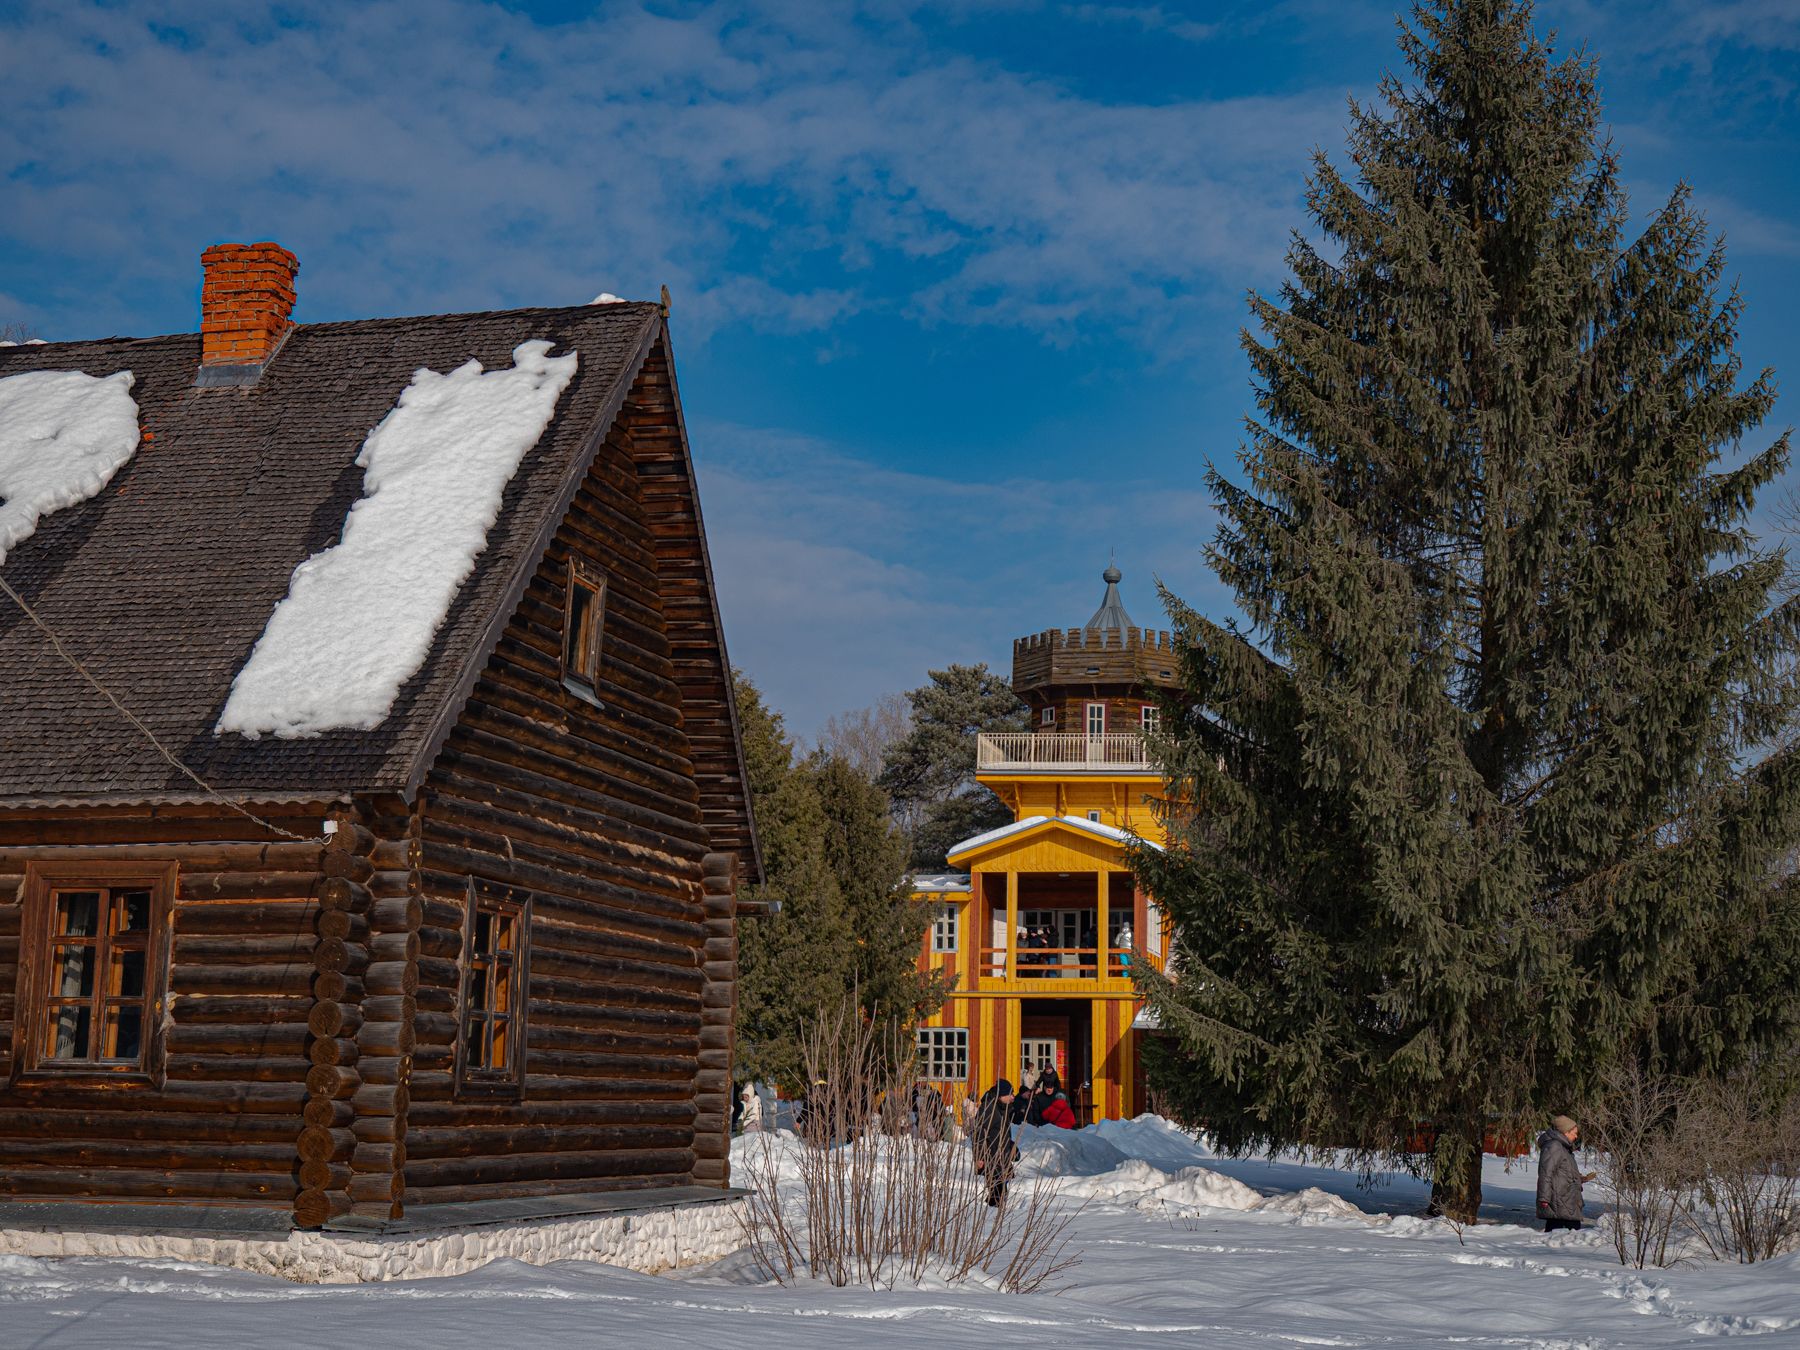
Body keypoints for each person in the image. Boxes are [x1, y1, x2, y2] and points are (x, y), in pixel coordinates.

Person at [1536, 1113, 1594, 1232]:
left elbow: (1563, 1173)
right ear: (1565, 1132)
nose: (1576, 1136)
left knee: (1569, 1238)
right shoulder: (1554, 1146)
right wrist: (1544, 1198)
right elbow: (1545, 1173)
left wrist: (1581, 1179)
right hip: (1559, 1202)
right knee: (1559, 1238)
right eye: (1574, 1133)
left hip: (1567, 1202)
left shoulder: (1564, 1148)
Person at [971, 1078, 1020, 1206]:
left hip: (1001, 1156)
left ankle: (993, 1214)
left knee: (1000, 1192)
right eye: (1010, 1094)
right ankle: (991, 1218)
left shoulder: (1003, 1108)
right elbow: (978, 1134)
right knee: (998, 1193)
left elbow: (1002, 1134)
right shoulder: (989, 1109)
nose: (1013, 1097)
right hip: (991, 1157)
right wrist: (979, 1157)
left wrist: (1012, 1148)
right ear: (1001, 1096)